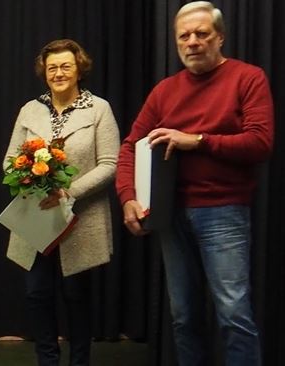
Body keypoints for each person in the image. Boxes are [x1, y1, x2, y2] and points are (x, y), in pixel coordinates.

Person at [116, 2, 271, 365]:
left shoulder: (248, 78)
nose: (192, 42)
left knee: (233, 315)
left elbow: (260, 143)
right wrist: (128, 198)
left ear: (220, 37)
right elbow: (129, 148)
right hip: (170, 216)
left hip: (223, 212)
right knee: (183, 317)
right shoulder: (165, 90)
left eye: (202, 34)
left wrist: (197, 140)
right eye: (184, 36)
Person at [2, 39, 119, 366]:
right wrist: (27, 178)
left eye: (66, 66)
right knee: (37, 293)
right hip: (35, 215)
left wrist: (70, 192)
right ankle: (47, 361)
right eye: (52, 67)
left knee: (76, 296)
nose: (58, 73)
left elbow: (110, 164)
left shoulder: (99, 109)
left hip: (79, 216)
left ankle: (80, 361)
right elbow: (10, 160)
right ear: (44, 72)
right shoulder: (30, 109)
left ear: (79, 68)